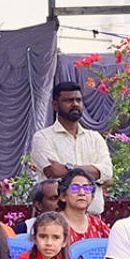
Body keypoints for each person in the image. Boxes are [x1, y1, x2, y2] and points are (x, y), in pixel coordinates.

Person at [31, 81, 112, 212]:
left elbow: (107, 173)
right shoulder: (43, 138)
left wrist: (66, 169)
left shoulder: (95, 137)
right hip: (59, 218)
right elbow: (54, 174)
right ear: (55, 105)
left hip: (93, 218)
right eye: (68, 100)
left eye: (78, 100)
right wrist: (94, 175)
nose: (75, 104)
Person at [58, 171, 113, 244]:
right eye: (75, 188)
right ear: (63, 196)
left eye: (87, 188)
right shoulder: (55, 222)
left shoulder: (97, 223)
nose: (82, 193)